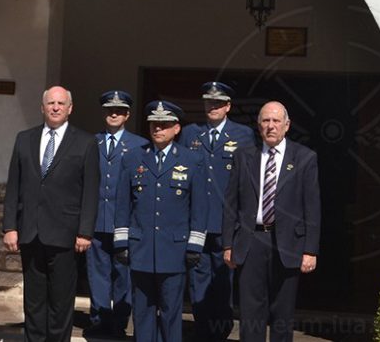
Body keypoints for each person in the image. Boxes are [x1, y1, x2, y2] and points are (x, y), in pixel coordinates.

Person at [2, 86, 100, 342]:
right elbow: (14, 185)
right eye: (50, 103)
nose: (55, 107)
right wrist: (10, 226)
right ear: (42, 107)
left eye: (60, 103)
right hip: (31, 232)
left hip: (65, 235)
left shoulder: (86, 142)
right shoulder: (25, 139)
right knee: (33, 301)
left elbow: (90, 191)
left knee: (60, 302)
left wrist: (85, 231)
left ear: (70, 108)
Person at [222, 101, 320, 342]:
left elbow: (313, 207)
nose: (271, 126)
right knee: (250, 313)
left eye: (276, 121)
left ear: (287, 125)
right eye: (266, 121)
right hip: (251, 241)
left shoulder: (305, 158)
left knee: (282, 313)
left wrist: (310, 250)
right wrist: (227, 245)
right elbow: (231, 204)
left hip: (287, 244)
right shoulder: (244, 157)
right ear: (258, 126)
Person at [114, 101, 208, 342]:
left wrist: (195, 245)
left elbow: (199, 209)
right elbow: (123, 204)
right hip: (141, 249)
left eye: (164, 125)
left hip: (174, 251)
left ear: (177, 129)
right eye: (154, 124)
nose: (158, 129)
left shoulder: (192, 160)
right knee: (142, 313)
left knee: (171, 312)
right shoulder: (133, 158)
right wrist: (122, 243)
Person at [179, 81, 257, 341]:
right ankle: (202, 328)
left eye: (218, 103)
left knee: (224, 280)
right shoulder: (191, 133)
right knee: (197, 278)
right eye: (208, 103)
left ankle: (220, 330)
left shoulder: (243, 134)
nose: (212, 107)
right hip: (198, 221)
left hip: (227, 222)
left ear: (228, 106)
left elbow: (246, 181)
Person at [85, 90, 148, 338]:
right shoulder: (92, 142)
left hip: (125, 222)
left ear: (127, 115)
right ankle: (99, 319)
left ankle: (120, 321)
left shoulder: (139, 144)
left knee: (124, 274)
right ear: (104, 113)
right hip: (97, 219)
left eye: (119, 110)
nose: (114, 114)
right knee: (97, 273)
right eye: (110, 110)